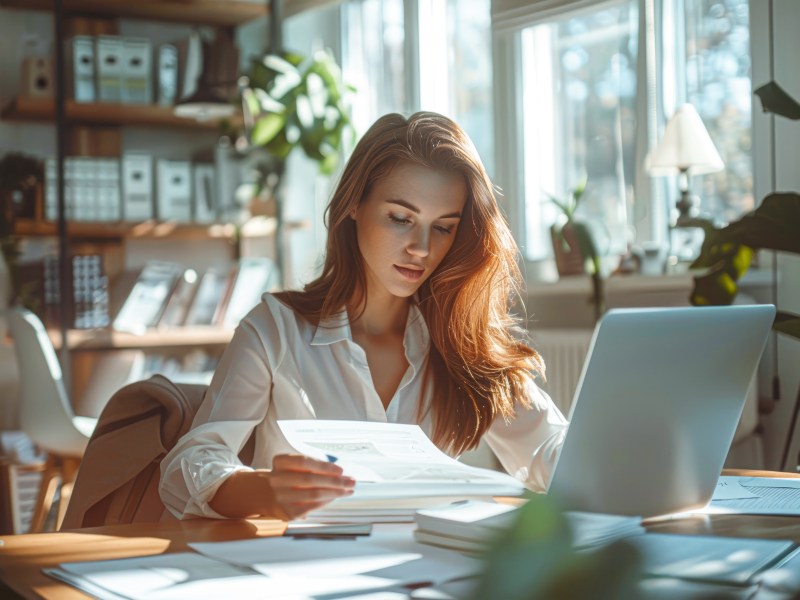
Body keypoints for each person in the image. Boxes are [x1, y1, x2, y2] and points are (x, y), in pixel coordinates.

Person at [159, 111, 568, 521]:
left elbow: (553, 451)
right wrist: (262, 490)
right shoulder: (275, 329)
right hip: (304, 569)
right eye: (401, 219)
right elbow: (188, 466)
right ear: (354, 203)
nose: (421, 248)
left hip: (424, 569)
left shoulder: (463, 342)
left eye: (443, 227)